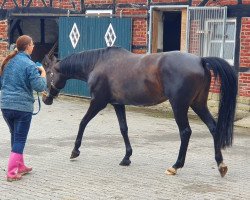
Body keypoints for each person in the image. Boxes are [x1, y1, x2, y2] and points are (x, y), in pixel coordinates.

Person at [0, 35, 47, 182]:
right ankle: (12, 172)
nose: (33, 46)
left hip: (6, 106)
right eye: (32, 44)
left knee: (15, 136)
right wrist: (43, 73)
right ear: (27, 47)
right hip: (22, 108)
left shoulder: (8, 62)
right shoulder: (30, 65)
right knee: (20, 139)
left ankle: (20, 166)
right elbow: (39, 86)